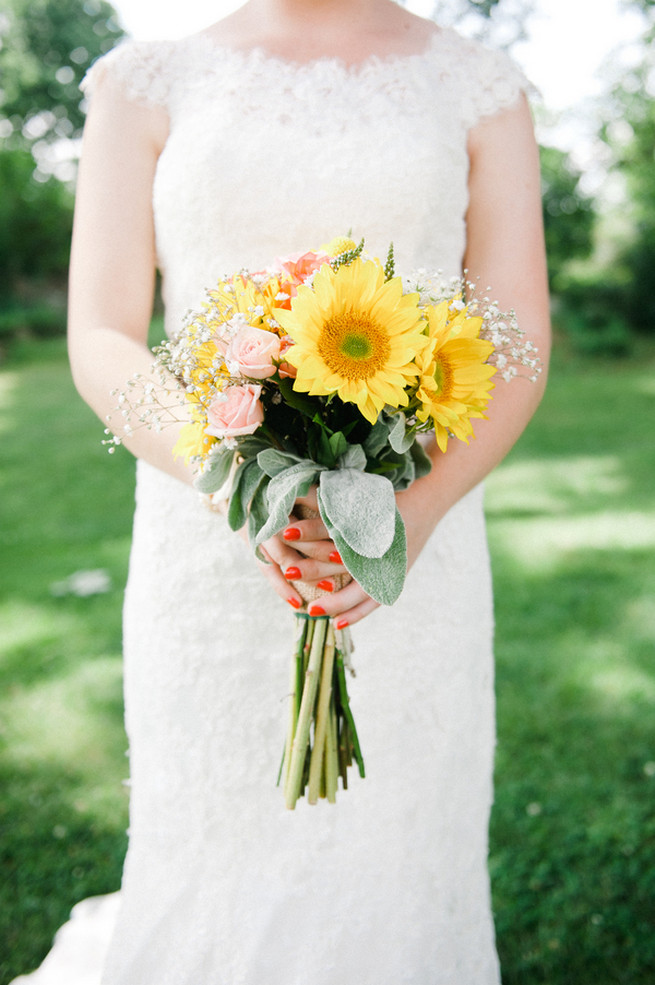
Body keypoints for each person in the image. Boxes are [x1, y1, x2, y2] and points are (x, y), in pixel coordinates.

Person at [13, 0, 550, 982]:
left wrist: (406, 519)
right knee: (215, 833)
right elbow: (100, 330)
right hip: (204, 532)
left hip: (415, 537)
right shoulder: (145, 81)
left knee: (394, 840)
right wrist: (233, 482)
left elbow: (516, 340)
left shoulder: (478, 84)